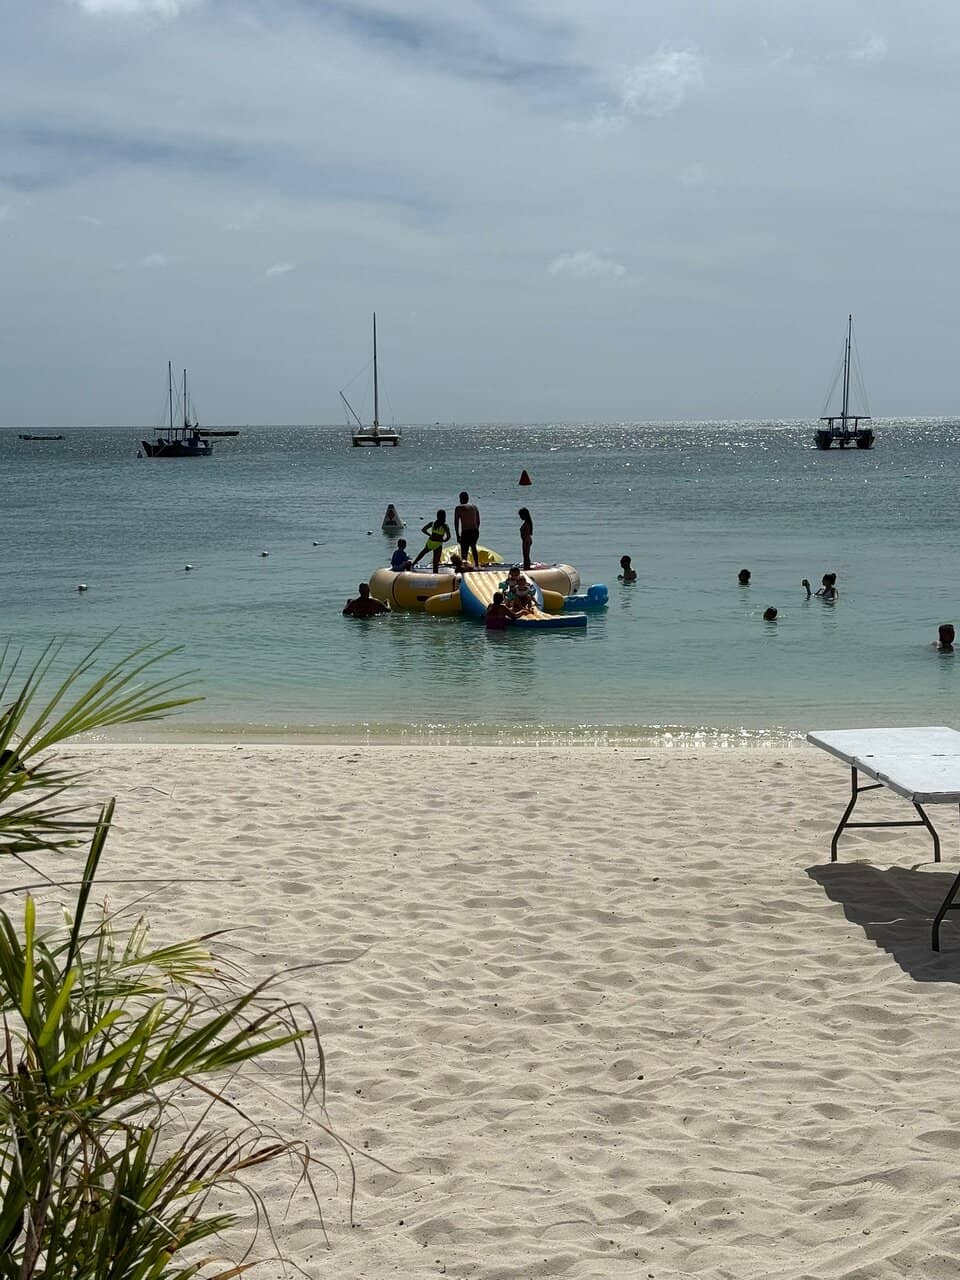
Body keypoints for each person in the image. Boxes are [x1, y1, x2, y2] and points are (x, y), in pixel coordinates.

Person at [454, 491, 481, 566]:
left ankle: (464, 565)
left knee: (464, 550)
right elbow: (478, 521)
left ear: (460, 499)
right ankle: (477, 565)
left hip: (466, 531)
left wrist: (457, 535)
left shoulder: (459, 508)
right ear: (468, 498)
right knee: (473, 547)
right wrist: (476, 529)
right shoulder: (474, 507)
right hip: (475, 531)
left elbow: (456, 522)